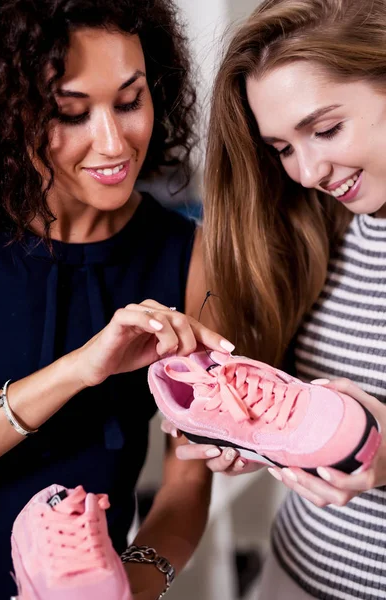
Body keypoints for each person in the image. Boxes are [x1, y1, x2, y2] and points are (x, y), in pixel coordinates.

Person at [0, 1, 236, 598]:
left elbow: (187, 476)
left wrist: (137, 583)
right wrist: (79, 369)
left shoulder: (189, 254)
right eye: (70, 113)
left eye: (129, 102)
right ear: (5, 114)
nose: (114, 142)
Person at [169, 0, 386, 598]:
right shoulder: (323, 232)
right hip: (293, 575)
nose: (309, 170)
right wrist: (254, 437)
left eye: (325, 129)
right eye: (283, 149)